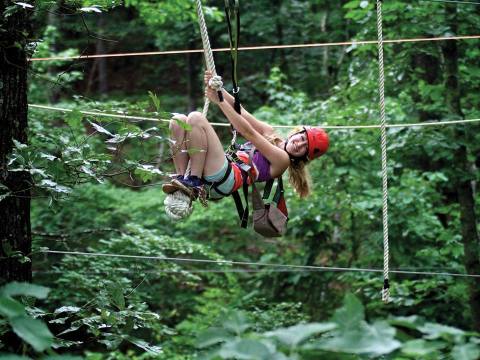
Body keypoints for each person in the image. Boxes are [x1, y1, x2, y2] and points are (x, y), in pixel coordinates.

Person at [162, 70, 329, 204]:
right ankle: (183, 179)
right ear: (297, 132)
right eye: (302, 138)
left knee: (196, 118)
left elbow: (248, 133)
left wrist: (219, 101)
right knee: (178, 121)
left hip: (226, 177)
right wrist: (218, 88)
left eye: (304, 147)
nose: (299, 144)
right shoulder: (270, 132)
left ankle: (194, 182)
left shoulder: (282, 160)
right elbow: (240, 110)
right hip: (221, 169)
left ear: (303, 157)